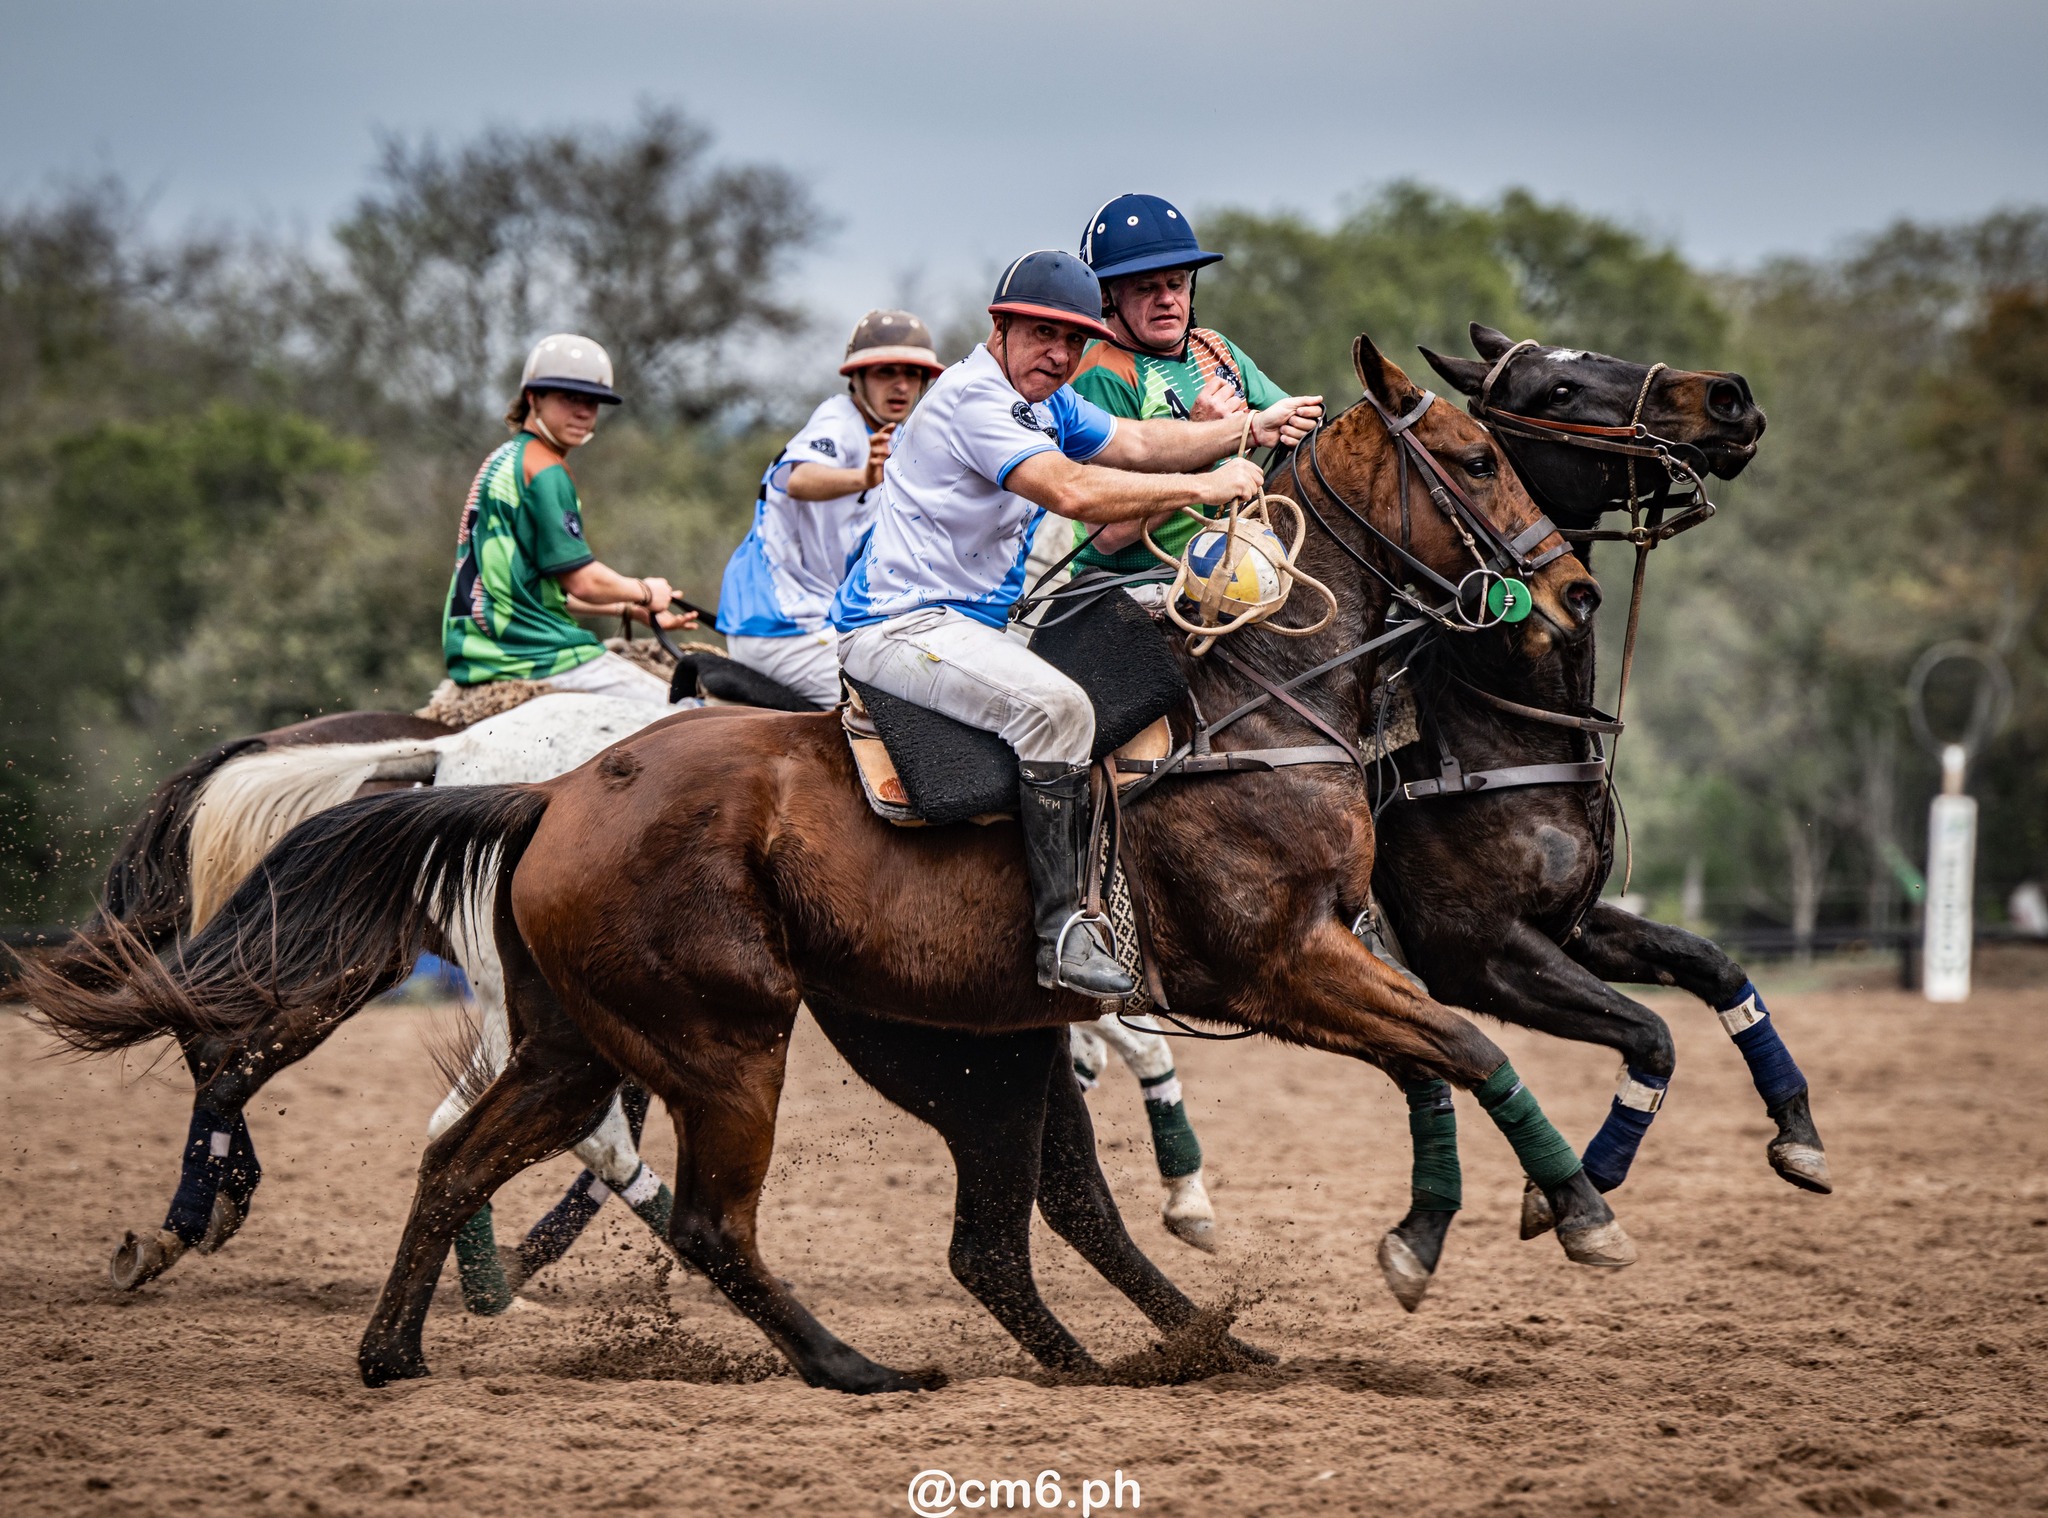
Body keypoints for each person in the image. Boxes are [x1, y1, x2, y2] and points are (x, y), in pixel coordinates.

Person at [831, 250, 1321, 998]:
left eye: (1071, 340)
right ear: (999, 328)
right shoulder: (975, 401)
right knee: (1060, 711)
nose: (1058, 355)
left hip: (973, 626)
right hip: (902, 627)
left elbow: (1135, 442)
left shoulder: (1046, 399)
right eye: (1040, 335)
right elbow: (1071, 490)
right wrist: (1209, 482)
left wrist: (1251, 425)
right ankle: (1061, 931)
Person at [1069, 194, 1324, 578]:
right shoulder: (1102, 374)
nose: (1167, 300)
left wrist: (1304, 425)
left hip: (1226, 565)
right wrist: (1202, 445)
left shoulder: (1215, 346)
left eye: (1176, 283)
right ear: (1106, 297)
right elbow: (1109, 534)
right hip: (1128, 586)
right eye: (1145, 288)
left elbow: (1297, 430)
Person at [443, 333, 695, 705]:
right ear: (533, 398)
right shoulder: (544, 470)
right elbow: (583, 582)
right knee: (687, 714)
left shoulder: (503, 459)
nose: (584, 412)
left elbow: (533, 588)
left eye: (593, 402)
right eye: (569, 398)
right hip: (533, 652)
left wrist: (628, 610)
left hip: (479, 648)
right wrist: (646, 591)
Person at [716, 311, 944, 706]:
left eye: (912, 373)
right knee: (895, 707)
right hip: (782, 625)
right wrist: (862, 478)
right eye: (885, 372)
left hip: (820, 621)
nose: (901, 385)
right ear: (855, 379)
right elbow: (796, 479)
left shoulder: (897, 436)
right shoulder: (838, 420)